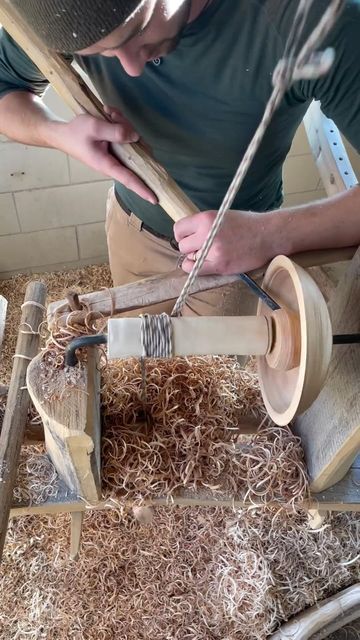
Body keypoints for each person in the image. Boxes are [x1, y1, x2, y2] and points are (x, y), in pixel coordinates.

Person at [0, 0, 359, 316]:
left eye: (137, 30)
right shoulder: (55, 11)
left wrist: (269, 235)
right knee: (135, 362)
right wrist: (59, 135)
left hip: (240, 252)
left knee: (213, 380)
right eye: (101, 52)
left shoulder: (317, 19)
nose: (132, 68)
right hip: (133, 229)